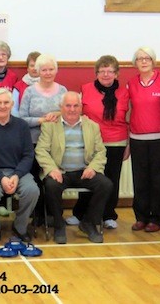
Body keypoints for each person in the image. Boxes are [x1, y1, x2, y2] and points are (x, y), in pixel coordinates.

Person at [36, 91, 113, 244]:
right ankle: (58, 225)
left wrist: (93, 167)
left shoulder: (92, 126)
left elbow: (101, 151)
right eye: (68, 106)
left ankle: (89, 223)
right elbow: (41, 150)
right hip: (61, 171)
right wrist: (52, 169)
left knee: (106, 185)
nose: (72, 109)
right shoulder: (50, 126)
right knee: (51, 185)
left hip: (84, 171)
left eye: (76, 106)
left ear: (81, 107)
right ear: (61, 107)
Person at [69, 55, 129, 230]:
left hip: (116, 142)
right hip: (90, 142)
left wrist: (128, 145)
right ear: (96, 73)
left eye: (110, 71)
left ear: (116, 74)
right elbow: (76, 113)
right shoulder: (85, 89)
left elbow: (129, 119)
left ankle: (108, 215)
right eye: (102, 71)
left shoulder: (125, 93)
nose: (106, 74)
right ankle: (80, 214)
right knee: (88, 177)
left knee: (111, 179)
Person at [0, 88, 39, 243]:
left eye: (6, 102)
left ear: (12, 104)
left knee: (32, 190)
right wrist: (1, 178)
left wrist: (16, 175)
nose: (2, 106)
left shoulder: (22, 126)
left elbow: (28, 155)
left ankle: (20, 226)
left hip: (17, 172)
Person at [127, 47, 160, 233]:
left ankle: (157, 218)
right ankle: (141, 217)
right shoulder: (131, 82)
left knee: (159, 180)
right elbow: (128, 110)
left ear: (153, 61)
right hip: (137, 138)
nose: (143, 61)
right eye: (139, 58)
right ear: (135, 63)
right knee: (140, 180)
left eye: (147, 58)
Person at [19, 54, 68, 145]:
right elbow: (22, 119)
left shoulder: (63, 90)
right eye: (44, 70)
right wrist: (42, 120)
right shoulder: (29, 91)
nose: (48, 73)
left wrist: (57, 114)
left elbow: (70, 115)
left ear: (56, 70)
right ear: (38, 72)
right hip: (33, 141)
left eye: (51, 69)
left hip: (59, 142)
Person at [12, 51, 41, 117]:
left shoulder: (47, 84)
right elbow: (13, 109)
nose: (34, 68)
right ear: (27, 68)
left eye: (37, 66)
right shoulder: (18, 86)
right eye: (32, 66)